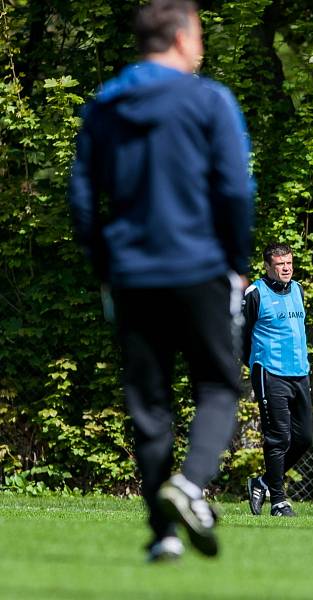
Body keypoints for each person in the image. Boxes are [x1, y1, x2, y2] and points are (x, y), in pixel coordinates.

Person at [69, 0, 253, 562]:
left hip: (131, 273)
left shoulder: (104, 105)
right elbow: (235, 190)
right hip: (200, 266)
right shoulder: (209, 100)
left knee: (148, 406)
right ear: (179, 37)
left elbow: (81, 197)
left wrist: (105, 264)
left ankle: (163, 534)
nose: (201, 48)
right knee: (220, 386)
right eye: (198, 37)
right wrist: (237, 260)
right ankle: (191, 484)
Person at [243, 243, 313, 517]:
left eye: (289, 263)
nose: (286, 268)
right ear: (268, 267)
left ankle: (263, 482)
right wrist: (253, 363)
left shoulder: (297, 290)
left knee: (304, 437)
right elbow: (239, 335)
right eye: (280, 264)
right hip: (270, 372)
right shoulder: (255, 293)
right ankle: (279, 502)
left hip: (299, 373)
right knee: (278, 438)